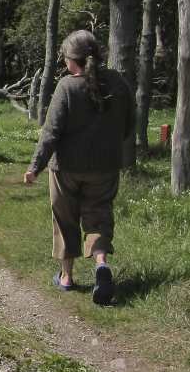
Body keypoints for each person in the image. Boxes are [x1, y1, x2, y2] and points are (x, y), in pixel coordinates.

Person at [23, 30, 133, 305]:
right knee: (99, 217)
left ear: (73, 60)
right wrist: (113, 144)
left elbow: (51, 133)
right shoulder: (117, 82)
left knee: (65, 220)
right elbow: (130, 120)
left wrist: (35, 167)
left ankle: (66, 278)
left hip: (66, 169)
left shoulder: (67, 87)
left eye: (65, 58)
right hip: (105, 166)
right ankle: (101, 266)